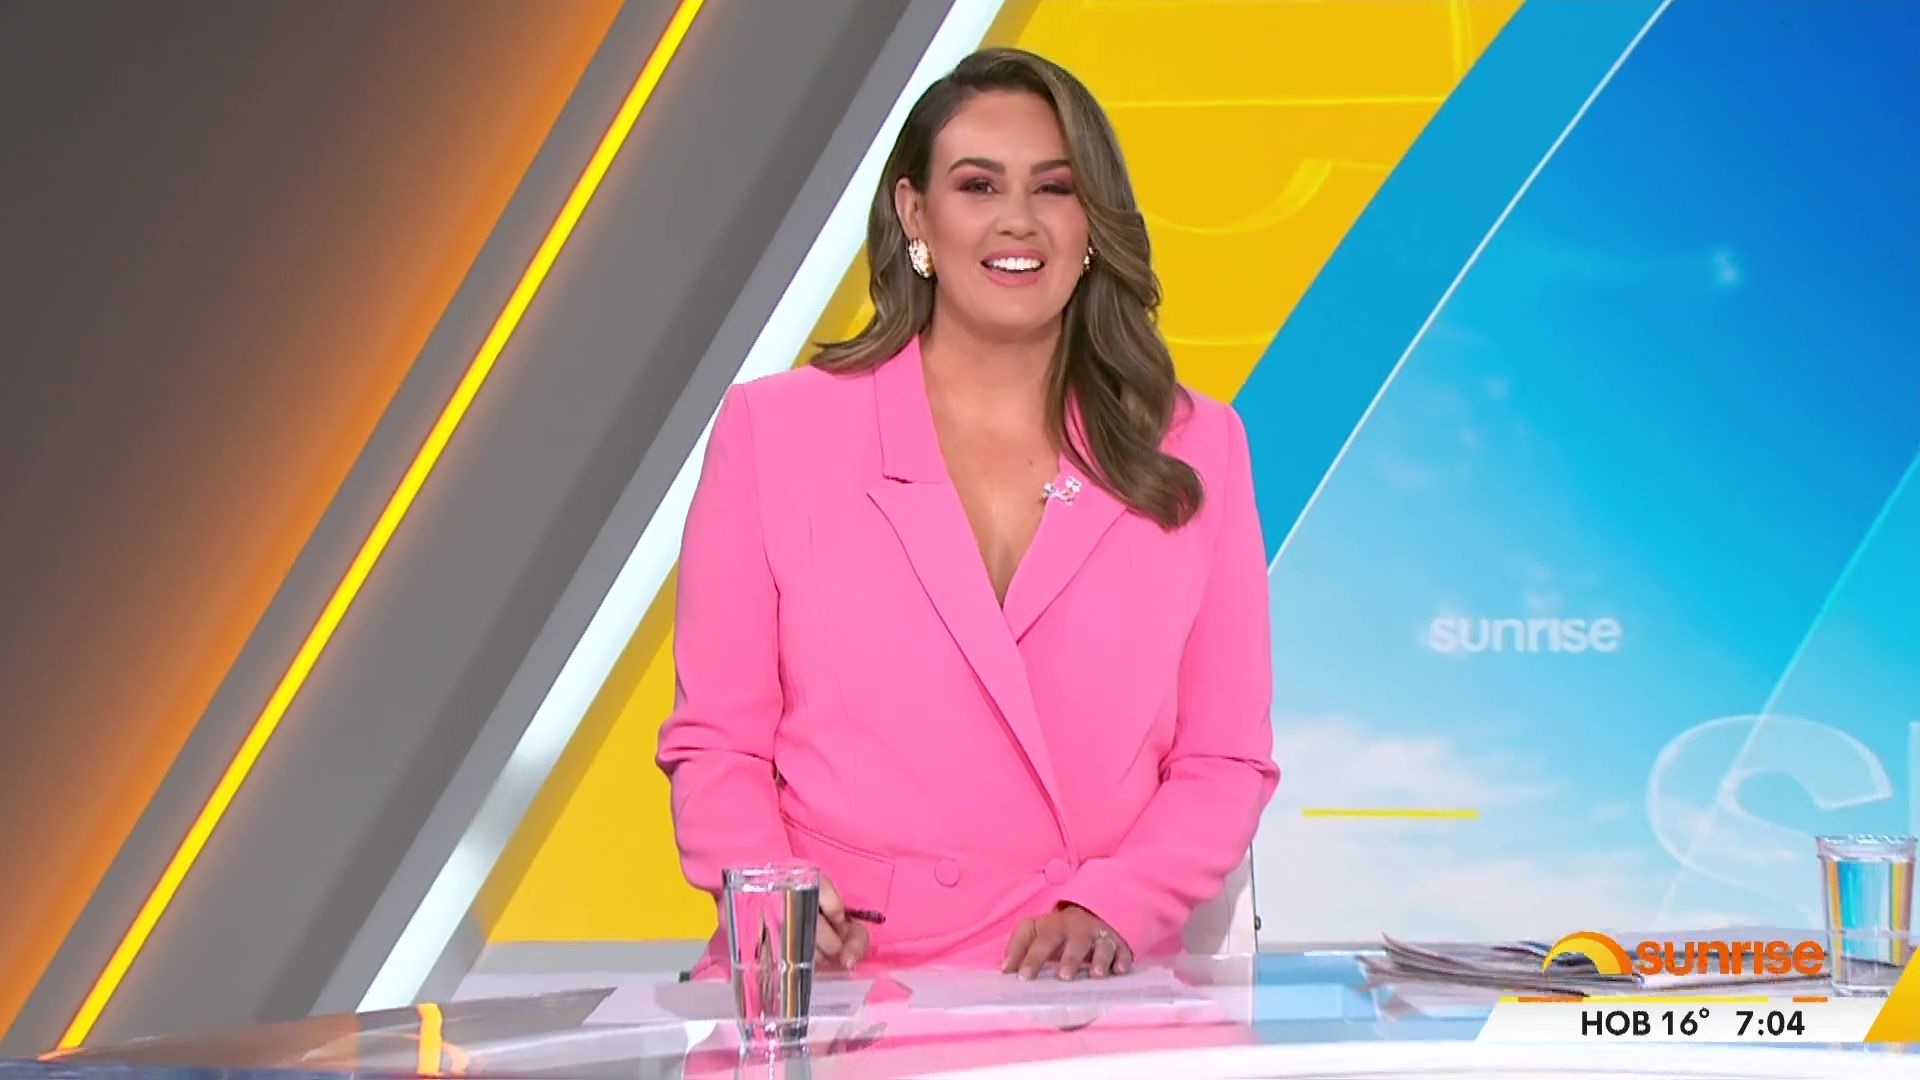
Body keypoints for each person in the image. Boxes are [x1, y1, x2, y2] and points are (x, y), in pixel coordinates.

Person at [656, 47, 1279, 983]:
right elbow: (718, 741)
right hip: (836, 983)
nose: (1017, 220)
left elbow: (1224, 759)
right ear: (916, 214)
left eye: (1054, 188)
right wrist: (768, 898)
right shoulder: (774, 431)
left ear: (1093, 223)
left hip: (1087, 992)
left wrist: (1118, 901)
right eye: (978, 185)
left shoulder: (1198, 447)